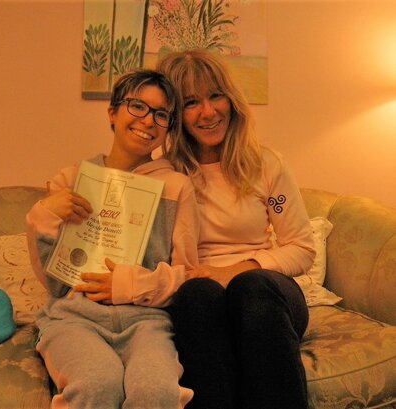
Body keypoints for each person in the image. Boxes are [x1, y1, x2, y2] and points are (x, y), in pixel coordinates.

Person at [25, 69, 200, 409]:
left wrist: (133, 285)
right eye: (138, 106)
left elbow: (187, 276)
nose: (148, 120)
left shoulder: (177, 187)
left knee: (156, 391)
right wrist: (42, 214)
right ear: (112, 112)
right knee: (97, 383)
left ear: (168, 126)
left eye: (161, 114)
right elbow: (55, 283)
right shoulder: (72, 179)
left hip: (147, 322)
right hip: (74, 319)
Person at [157, 49, 316, 409]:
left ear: (231, 99)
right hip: (201, 300)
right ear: (175, 114)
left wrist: (230, 271)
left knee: (251, 286)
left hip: (268, 299)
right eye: (191, 102)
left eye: (216, 95)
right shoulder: (162, 174)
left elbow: (302, 248)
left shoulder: (267, 165)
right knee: (197, 294)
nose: (208, 112)